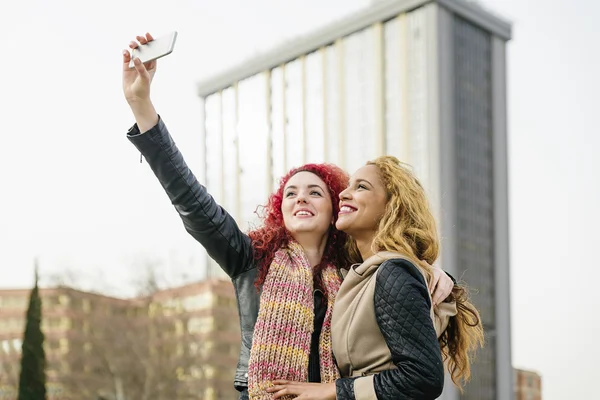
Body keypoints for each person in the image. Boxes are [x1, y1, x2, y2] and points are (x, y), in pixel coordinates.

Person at [121, 33, 455, 399]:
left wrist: (431, 271)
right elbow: (188, 196)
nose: (301, 199)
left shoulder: (353, 272)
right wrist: (141, 105)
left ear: (334, 209)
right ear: (280, 210)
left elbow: (397, 292)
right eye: (291, 193)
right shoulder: (251, 259)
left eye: (315, 192)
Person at [268, 156, 485, 400]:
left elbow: (424, 377)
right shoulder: (361, 275)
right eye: (348, 186)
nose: (343, 194)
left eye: (361, 187)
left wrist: (332, 389)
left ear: (392, 206)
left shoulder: (392, 273)